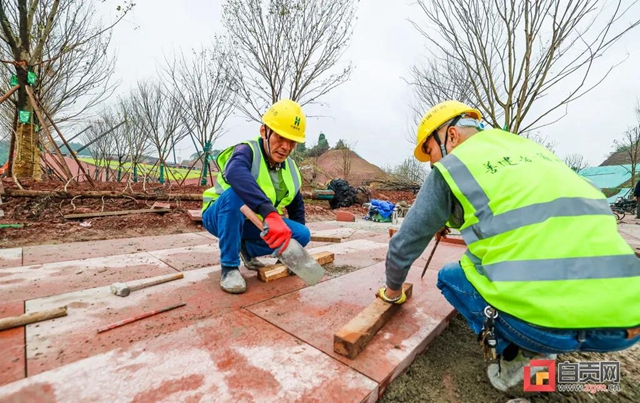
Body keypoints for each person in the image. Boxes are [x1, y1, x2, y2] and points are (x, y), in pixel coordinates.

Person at [377, 100, 640, 392]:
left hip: (541, 325)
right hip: (626, 324)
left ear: (451, 136)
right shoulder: (534, 152)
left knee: (452, 277)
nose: (431, 163)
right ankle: (562, 358)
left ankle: (522, 359)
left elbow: (404, 244)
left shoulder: (453, 166)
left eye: (430, 151)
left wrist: (392, 292)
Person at [201, 99, 311, 294]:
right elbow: (235, 173)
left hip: (252, 223)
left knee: (302, 234)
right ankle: (229, 267)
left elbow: (296, 207)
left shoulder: (291, 168)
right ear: (264, 132)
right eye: (280, 137)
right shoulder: (247, 151)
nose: (286, 146)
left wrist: (290, 255)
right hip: (218, 216)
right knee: (236, 194)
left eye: (292, 141)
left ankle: (246, 249)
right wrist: (269, 213)